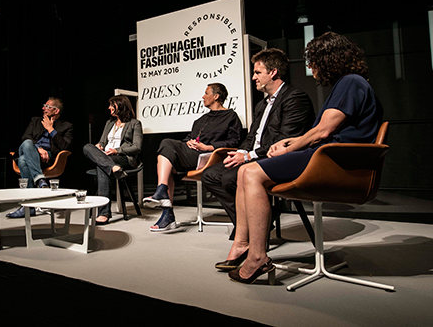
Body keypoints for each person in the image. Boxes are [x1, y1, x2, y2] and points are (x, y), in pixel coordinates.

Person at [219, 32, 383, 284]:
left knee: (250, 172)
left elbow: (324, 131)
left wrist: (289, 148)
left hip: (332, 161)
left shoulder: (351, 82)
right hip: (327, 156)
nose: (311, 68)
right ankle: (243, 245)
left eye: (313, 62)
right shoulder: (351, 83)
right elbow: (322, 131)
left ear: (328, 60)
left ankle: (257, 256)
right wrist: (291, 142)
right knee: (243, 171)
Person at [201, 48, 314, 240]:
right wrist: (240, 153)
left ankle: (250, 229)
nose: (254, 77)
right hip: (254, 157)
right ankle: (256, 220)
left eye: (257, 72)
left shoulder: (295, 98)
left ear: (273, 72)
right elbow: (251, 137)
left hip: (278, 159)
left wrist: (247, 156)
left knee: (230, 178)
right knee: (210, 175)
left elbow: (284, 142)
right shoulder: (262, 104)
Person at [143, 83, 242, 232]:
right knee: (167, 154)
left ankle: (164, 201)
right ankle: (166, 210)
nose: (203, 96)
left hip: (208, 157)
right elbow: (190, 138)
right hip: (192, 154)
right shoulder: (201, 119)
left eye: (206, 93)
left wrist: (209, 147)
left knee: (167, 147)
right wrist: (188, 142)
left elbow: (234, 142)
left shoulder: (230, 116)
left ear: (216, 96)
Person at [7, 97, 73, 218]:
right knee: (27, 143)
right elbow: (25, 137)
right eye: (44, 106)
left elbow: (64, 146)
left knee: (23, 160)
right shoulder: (36, 121)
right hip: (31, 150)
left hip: (47, 159)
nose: (43, 108)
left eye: (47, 106)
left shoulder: (66, 126)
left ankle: (28, 207)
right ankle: (40, 179)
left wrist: (51, 129)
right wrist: (39, 148)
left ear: (56, 110)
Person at [83, 95, 143, 224]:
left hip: (123, 157)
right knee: (87, 147)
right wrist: (99, 146)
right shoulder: (109, 123)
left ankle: (104, 213)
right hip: (107, 157)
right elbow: (102, 142)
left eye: (112, 105)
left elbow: (137, 147)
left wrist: (117, 150)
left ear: (120, 106)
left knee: (101, 167)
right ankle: (112, 167)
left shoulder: (134, 123)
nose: (109, 108)